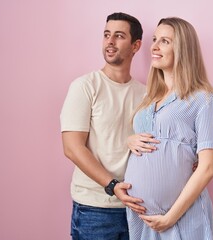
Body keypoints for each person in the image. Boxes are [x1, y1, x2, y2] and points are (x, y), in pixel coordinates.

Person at [124, 17, 213, 240]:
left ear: (183, 48)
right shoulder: (148, 99)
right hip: (142, 219)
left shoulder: (203, 100)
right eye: (154, 39)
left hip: (182, 218)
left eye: (164, 41)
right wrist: (129, 140)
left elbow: (207, 168)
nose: (154, 46)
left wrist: (171, 217)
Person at [60, 12, 152, 240]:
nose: (109, 42)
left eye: (119, 36)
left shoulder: (146, 94)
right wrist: (112, 185)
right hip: (95, 209)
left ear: (136, 45)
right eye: (106, 35)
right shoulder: (85, 86)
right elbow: (72, 148)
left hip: (137, 208)